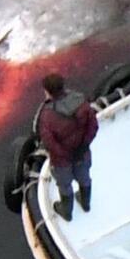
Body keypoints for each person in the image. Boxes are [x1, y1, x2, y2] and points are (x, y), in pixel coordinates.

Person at [34, 72, 97, 221]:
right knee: (84, 177)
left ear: (48, 91)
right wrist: (84, 144)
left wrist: (65, 155)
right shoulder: (81, 102)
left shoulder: (47, 116)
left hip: (62, 161)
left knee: (64, 185)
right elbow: (93, 126)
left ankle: (67, 212)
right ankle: (86, 203)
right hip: (82, 153)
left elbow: (49, 142)